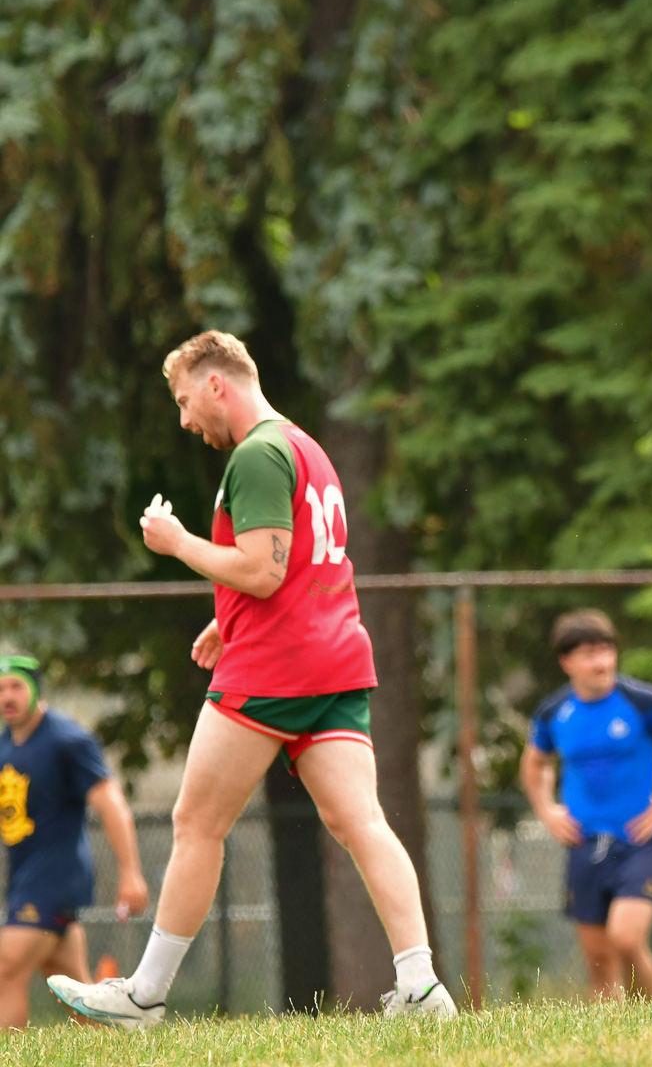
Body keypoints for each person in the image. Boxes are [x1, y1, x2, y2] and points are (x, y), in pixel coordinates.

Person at [50, 331, 454, 1029]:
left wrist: (179, 544)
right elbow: (296, 565)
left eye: (184, 400)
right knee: (359, 820)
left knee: (196, 822)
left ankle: (143, 996)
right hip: (333, 658)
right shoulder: (305, 447)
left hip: (277, 667)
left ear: (218, 385)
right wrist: (228, 617)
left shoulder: (259, 453)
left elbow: (264, 568)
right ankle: (421, 986)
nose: (184, 419)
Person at [522, 610, 652, 1000]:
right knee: (598, 960)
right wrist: (545, 810)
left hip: (638, 841)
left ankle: (649, 1020)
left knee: (626, 939)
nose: (602, 661)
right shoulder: (553, 712)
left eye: (607, 650)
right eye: (590, 653)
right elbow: (533, 763)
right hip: (584, 845)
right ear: (567, 662)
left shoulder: (642, 700)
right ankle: (610, 1040)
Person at [0, 654, 148, 1029]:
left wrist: (130, 873)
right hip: (24, 880)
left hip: (55, 879)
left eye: (16, 685)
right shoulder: (5, 746)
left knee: (5, 967)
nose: (7, 696)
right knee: (73, 990)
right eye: (0, 689)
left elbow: (111, 804)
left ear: (35, 689)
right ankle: (112, 1053)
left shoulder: (67, 740)